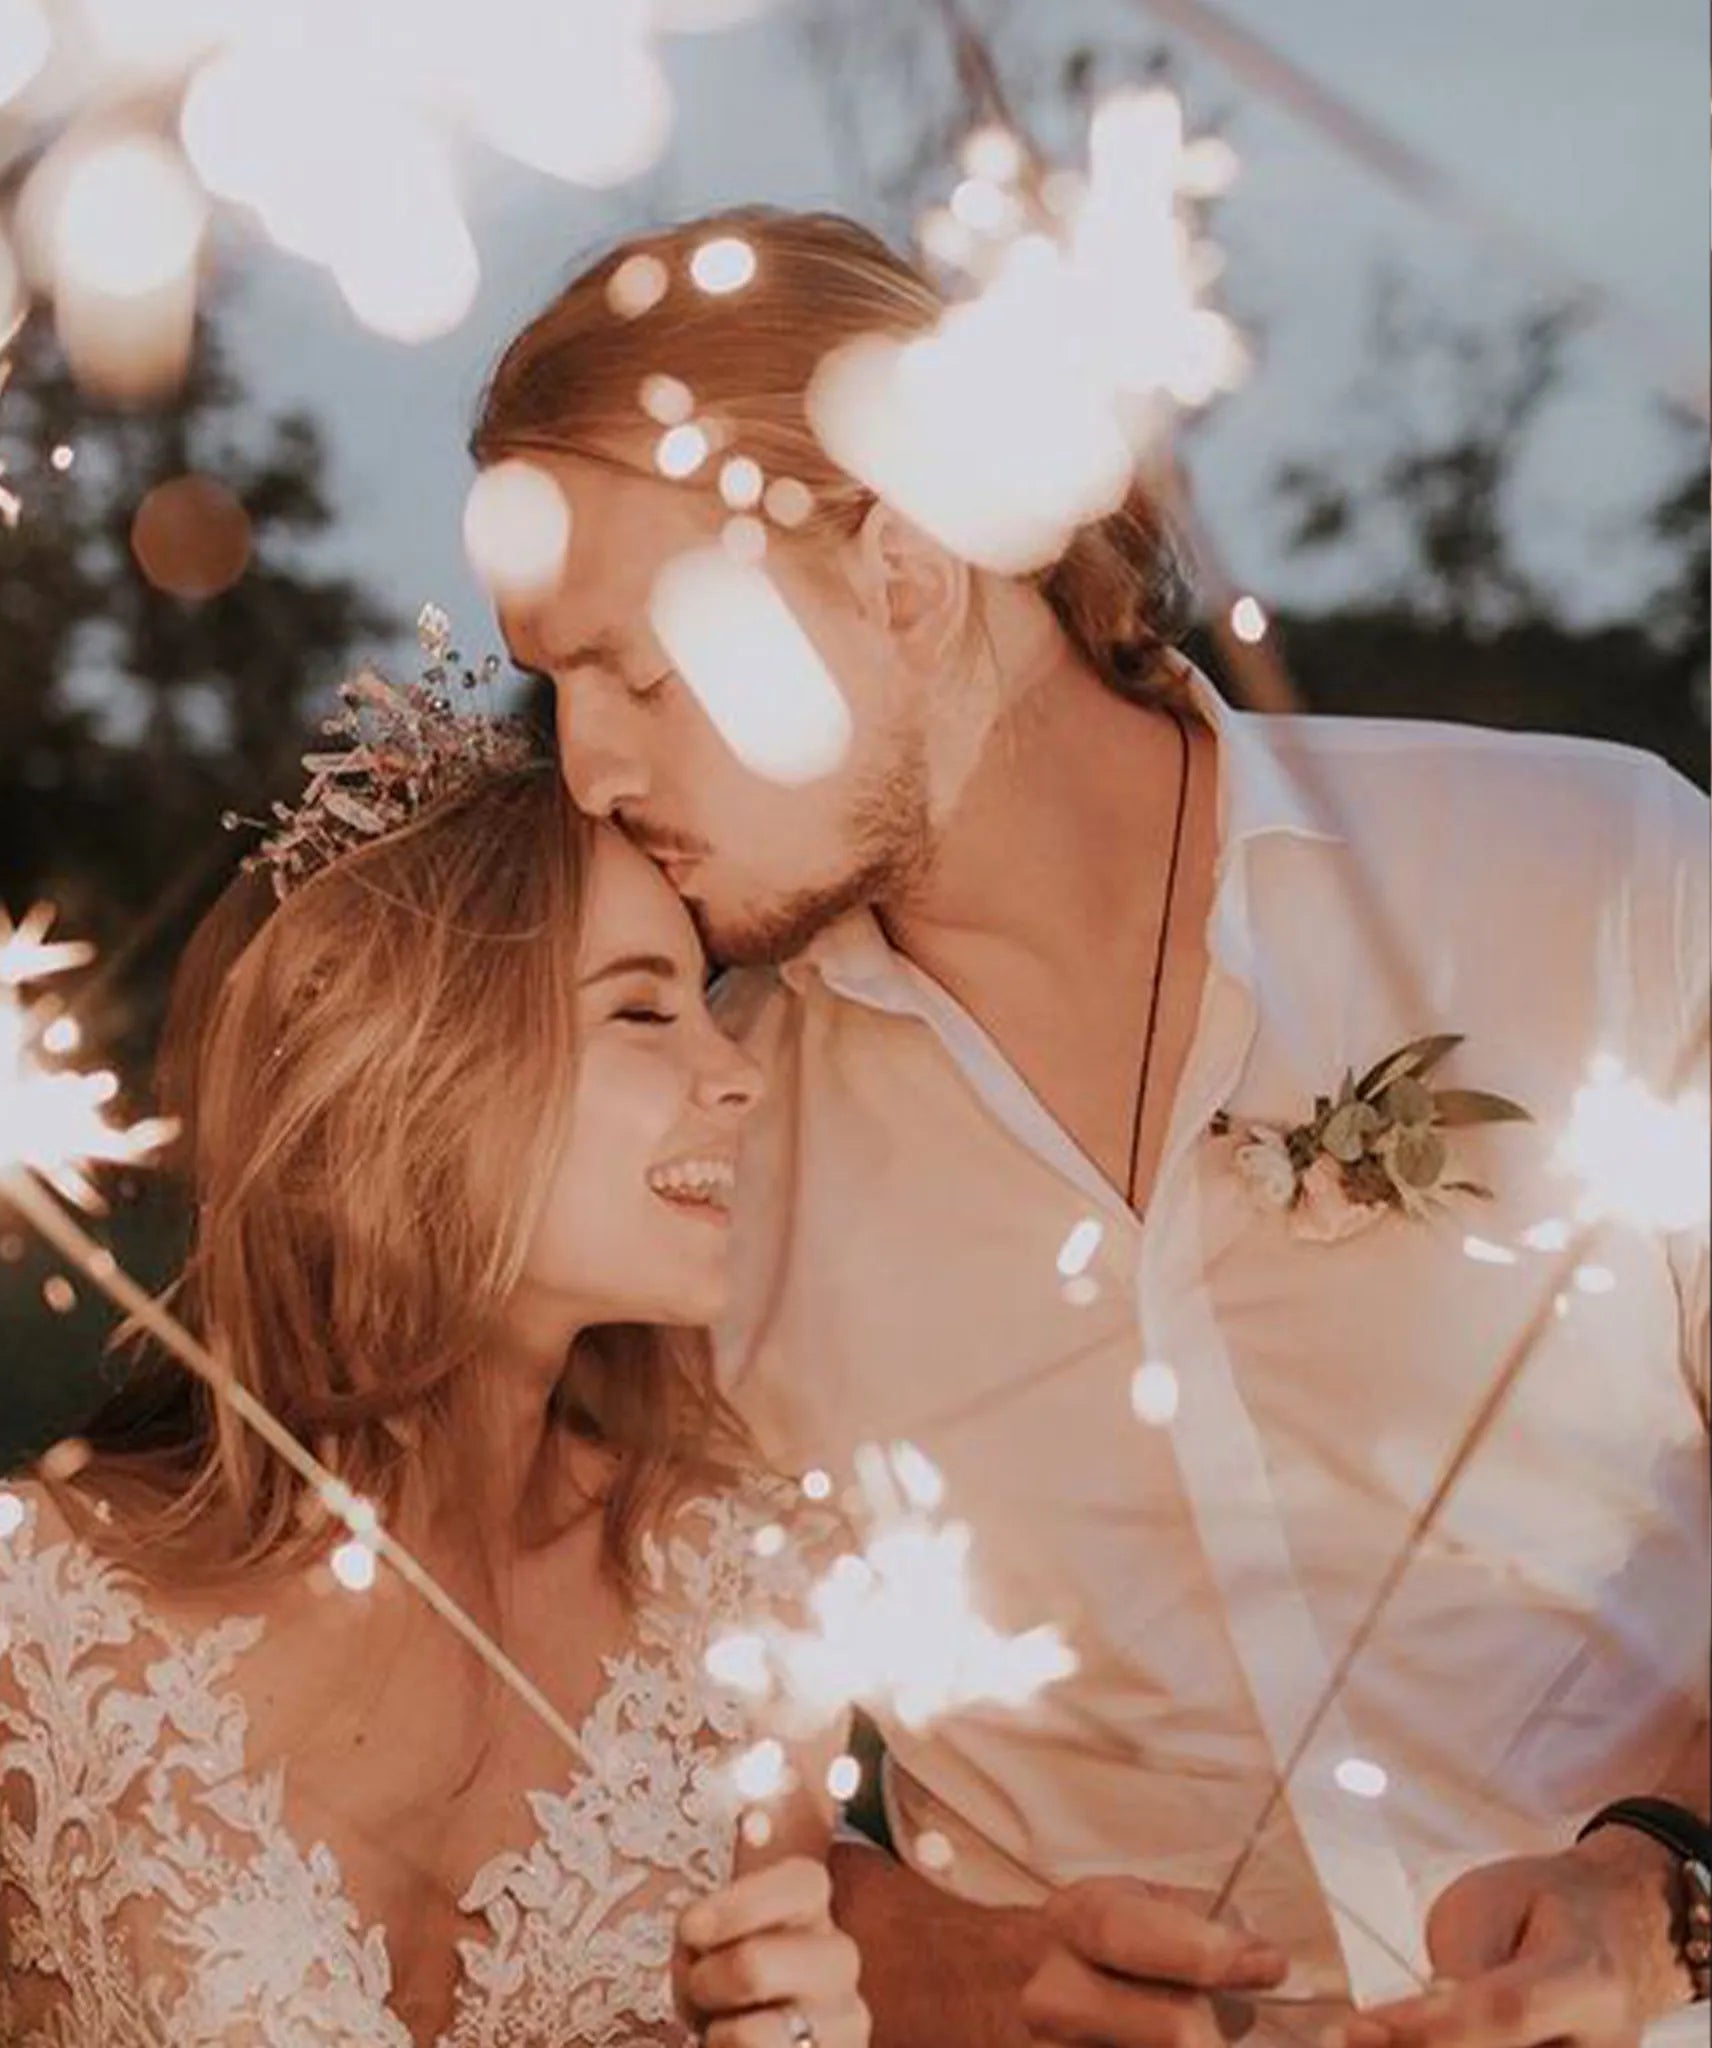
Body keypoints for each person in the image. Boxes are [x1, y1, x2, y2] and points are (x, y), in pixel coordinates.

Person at [471, 205, 1712, 2048]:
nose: (586, 769)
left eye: (641, 673)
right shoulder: (704, 1159)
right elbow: (730, 1830)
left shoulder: (1603, 878)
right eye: (551, 685)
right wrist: (959, 1965)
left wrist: (1664, 1889)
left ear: (898, 572)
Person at [0, 741, 873, 2048]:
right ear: (409, 1076)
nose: (736, 1068)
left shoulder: (759, 1604)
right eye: (643, 1011)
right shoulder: (11, 1613)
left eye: (705, 998)